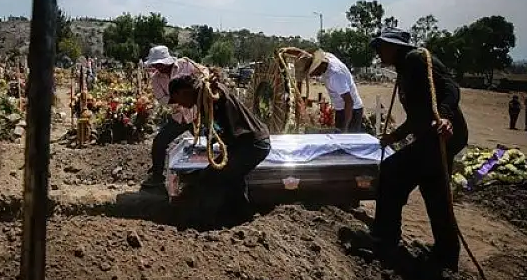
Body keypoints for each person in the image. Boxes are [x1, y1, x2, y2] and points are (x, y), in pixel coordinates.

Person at [366, 28, 469, 273]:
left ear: (394, 47)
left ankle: (385, 238)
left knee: (391, 172)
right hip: (432, 138)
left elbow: (451, 87)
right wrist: (394, 136)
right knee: (435, 191)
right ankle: (446, 255)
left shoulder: (417, 59)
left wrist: (445, 116)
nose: (378, 52)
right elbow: (417, 117)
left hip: (442, 136)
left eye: (381, 46)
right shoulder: (404, 70)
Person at [168, 75, 271, 219]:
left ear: (182, 92)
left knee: (212, 176)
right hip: (246, 143)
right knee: (232, 178)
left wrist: (214, 88)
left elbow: (218, 94)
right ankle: (240, 216)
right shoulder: (203, 99)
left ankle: (211, 217)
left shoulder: (208, 93)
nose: (180, 105)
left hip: (251, 144)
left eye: (178, 100)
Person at [140, 46, 208, 191]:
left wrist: (200, 86)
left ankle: (208, 176)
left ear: (167, 61)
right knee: (159, 143)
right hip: (179, 117)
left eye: (159, 63)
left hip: (197, 115)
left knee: (206, 144)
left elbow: (204, 72)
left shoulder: (185, 64)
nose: (157, 67)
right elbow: (162, 99)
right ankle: (157, 176)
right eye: (155, 64)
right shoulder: (156, 79)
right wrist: (182, 100)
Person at [285, 48, 364, 132]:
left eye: (312, 72)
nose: (311, 75)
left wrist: (345, 128)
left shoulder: (335, 76)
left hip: (351, 111)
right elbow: (305, 54)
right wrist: (288, 50)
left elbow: (349, 101)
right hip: (342, 109)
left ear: (319, 65)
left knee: (347, 138)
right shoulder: (327, 57)